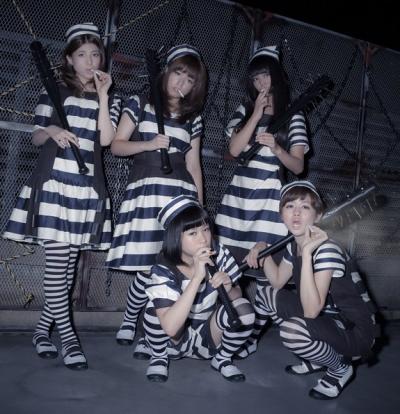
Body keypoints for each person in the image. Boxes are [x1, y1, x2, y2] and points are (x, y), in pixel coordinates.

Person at [3, 23, 121, 370]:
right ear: (69, 59)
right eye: (81, 54)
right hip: (55, 184)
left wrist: (103, 96)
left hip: (86, 189)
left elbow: (105, 140)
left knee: (68, 267)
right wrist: (53, 129)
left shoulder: (110, 98)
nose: (90, 61)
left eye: (95, 54)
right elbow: (36, 136)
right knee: (58, 265)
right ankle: (69, 339)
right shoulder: (54, 89)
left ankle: (42, 331)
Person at [106, 44, 208, 354]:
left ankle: (148, 333)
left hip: (180, 195)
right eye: (178, 73)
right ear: (165, 72)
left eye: (190, 79)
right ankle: (130, 317)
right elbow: (116, 146)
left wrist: (199, 209)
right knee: (146, 267)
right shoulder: (140, 103)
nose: (182, 83)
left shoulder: (193, 117)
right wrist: (148, 144)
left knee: (166, 266)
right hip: (147, 191)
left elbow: (194, 165)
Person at [215, 45, 309, 354]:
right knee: (230, 267)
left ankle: (253, 335)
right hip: (239, 199)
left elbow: (298, 166)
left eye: (265, 76)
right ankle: (233, 329)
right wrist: (255, 113)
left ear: (276, 77)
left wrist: (277, 148)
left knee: (269, 273)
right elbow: (234, 150)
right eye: (255, 78)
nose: (261, 83)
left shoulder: (293, 115)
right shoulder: (244, 110)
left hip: (269, 199)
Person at [245, 180, 377, 399]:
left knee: (293, 332)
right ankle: (317, 357)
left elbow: (310, 311)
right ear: (281, 214)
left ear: (318, 216)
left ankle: (340, 367)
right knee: (266, 294)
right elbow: (277, 281)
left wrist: (307, 254)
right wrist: (263, 250)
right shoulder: (293, 245)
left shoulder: (326, 250)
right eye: (290, 206)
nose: (296, 213)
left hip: (355, 329)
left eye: (305, 207)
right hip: (328, 319)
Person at [142, 195, 255, 382]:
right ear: (175, 237)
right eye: (192, 233)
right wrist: (196, 278)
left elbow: (237, 295)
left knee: (243, 308)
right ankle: (158, 356)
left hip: (208, 340)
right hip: (172, 344)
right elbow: (170, 328)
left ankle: (222, 358)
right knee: (153, 308)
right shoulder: (163, 268)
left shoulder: (220, 254)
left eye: (206, 229)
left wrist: (228, 288)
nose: (203, 239)